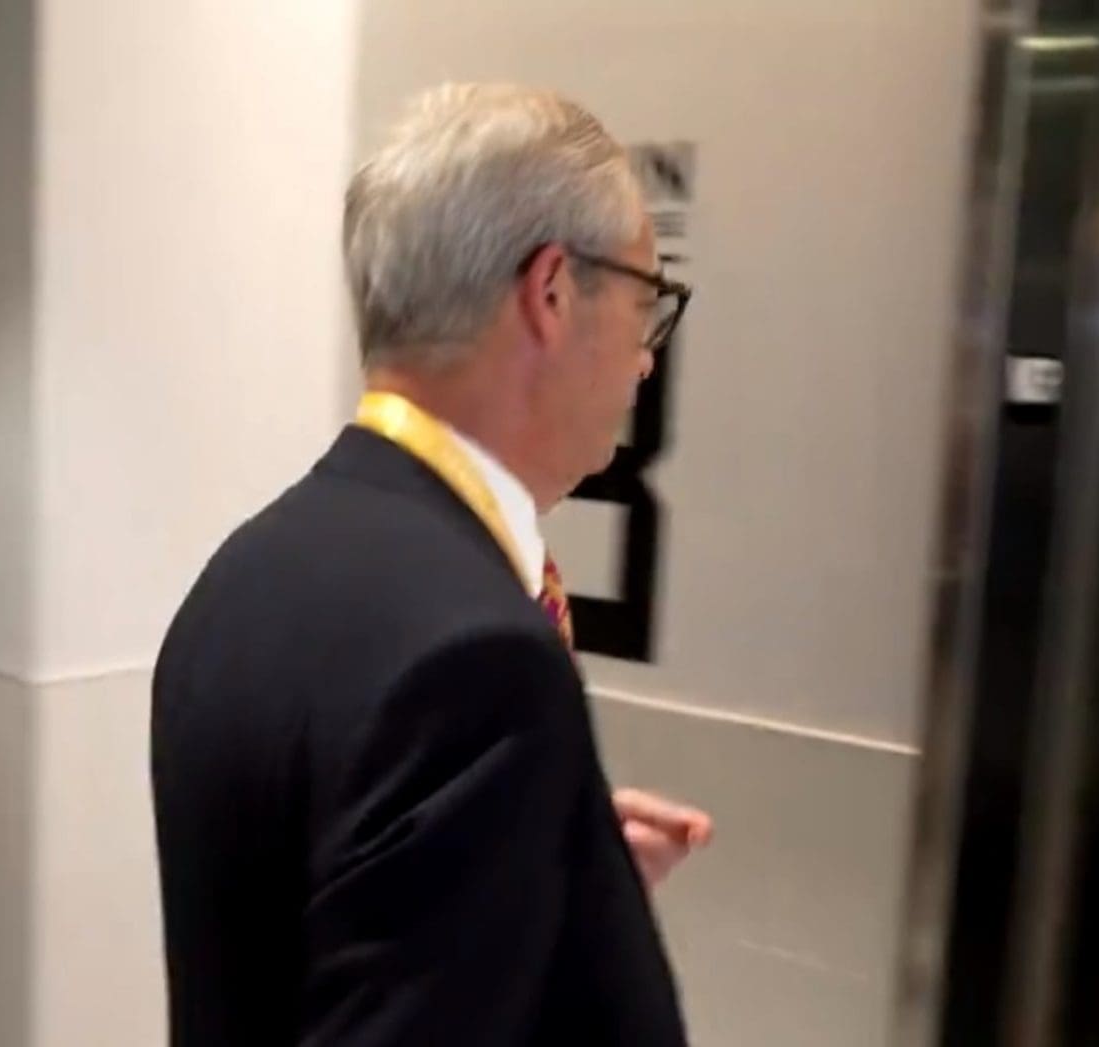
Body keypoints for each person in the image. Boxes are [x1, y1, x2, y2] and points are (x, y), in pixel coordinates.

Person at [151, 83, 711, 1046]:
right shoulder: (479, 660)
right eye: (644, 300)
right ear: (551, 292)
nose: (645, 359)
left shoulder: (246, 573)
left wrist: (552, 879)